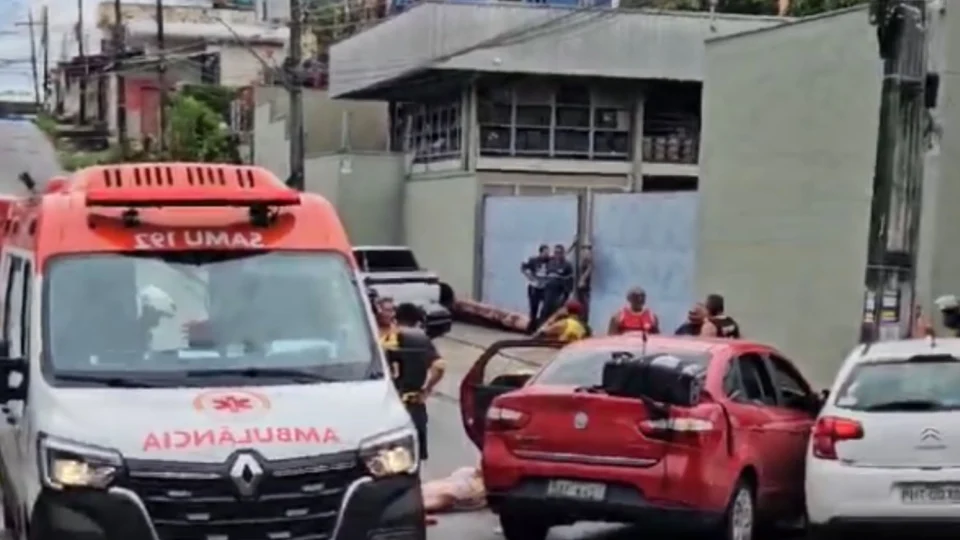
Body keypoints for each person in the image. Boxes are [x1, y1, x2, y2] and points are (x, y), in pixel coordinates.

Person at [388, 302, 446, 462]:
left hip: (387, 403)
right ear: (417, 321)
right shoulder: (421, 339)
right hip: (414, 403)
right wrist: (427, 388)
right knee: (413, 458)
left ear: (395, 319)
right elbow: (439, 366)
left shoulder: (384, 337)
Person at [521, 245, 551, 334]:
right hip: (534, 287)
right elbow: (523, 268)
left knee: (546, 308)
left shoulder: (550, 261)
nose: (547, 254)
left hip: (545, 287)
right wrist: (530, 277)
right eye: (545, 252)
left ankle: (541, 327)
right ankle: (531, 328)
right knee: (534, 308)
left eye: (548, 252)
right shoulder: (534, 260)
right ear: (541, 252)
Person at [541, 244, 574, 321]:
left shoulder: (567, 265)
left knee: (556, 311)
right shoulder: (550, 262)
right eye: (555, 252)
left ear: (563, 253)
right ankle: (542, 328)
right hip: (548, 291)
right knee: (545, 310)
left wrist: (566, 294)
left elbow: (570, 279)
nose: (557, 254)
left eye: (559, 252)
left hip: (559, 292)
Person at [576, 244, 593, 316]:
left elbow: (590, 268)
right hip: (581, 284)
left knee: (584, 303)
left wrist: (582, 279)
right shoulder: (582, 256)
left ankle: (584, 318)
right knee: (580, 301)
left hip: (584, 285)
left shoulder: (587, 255)